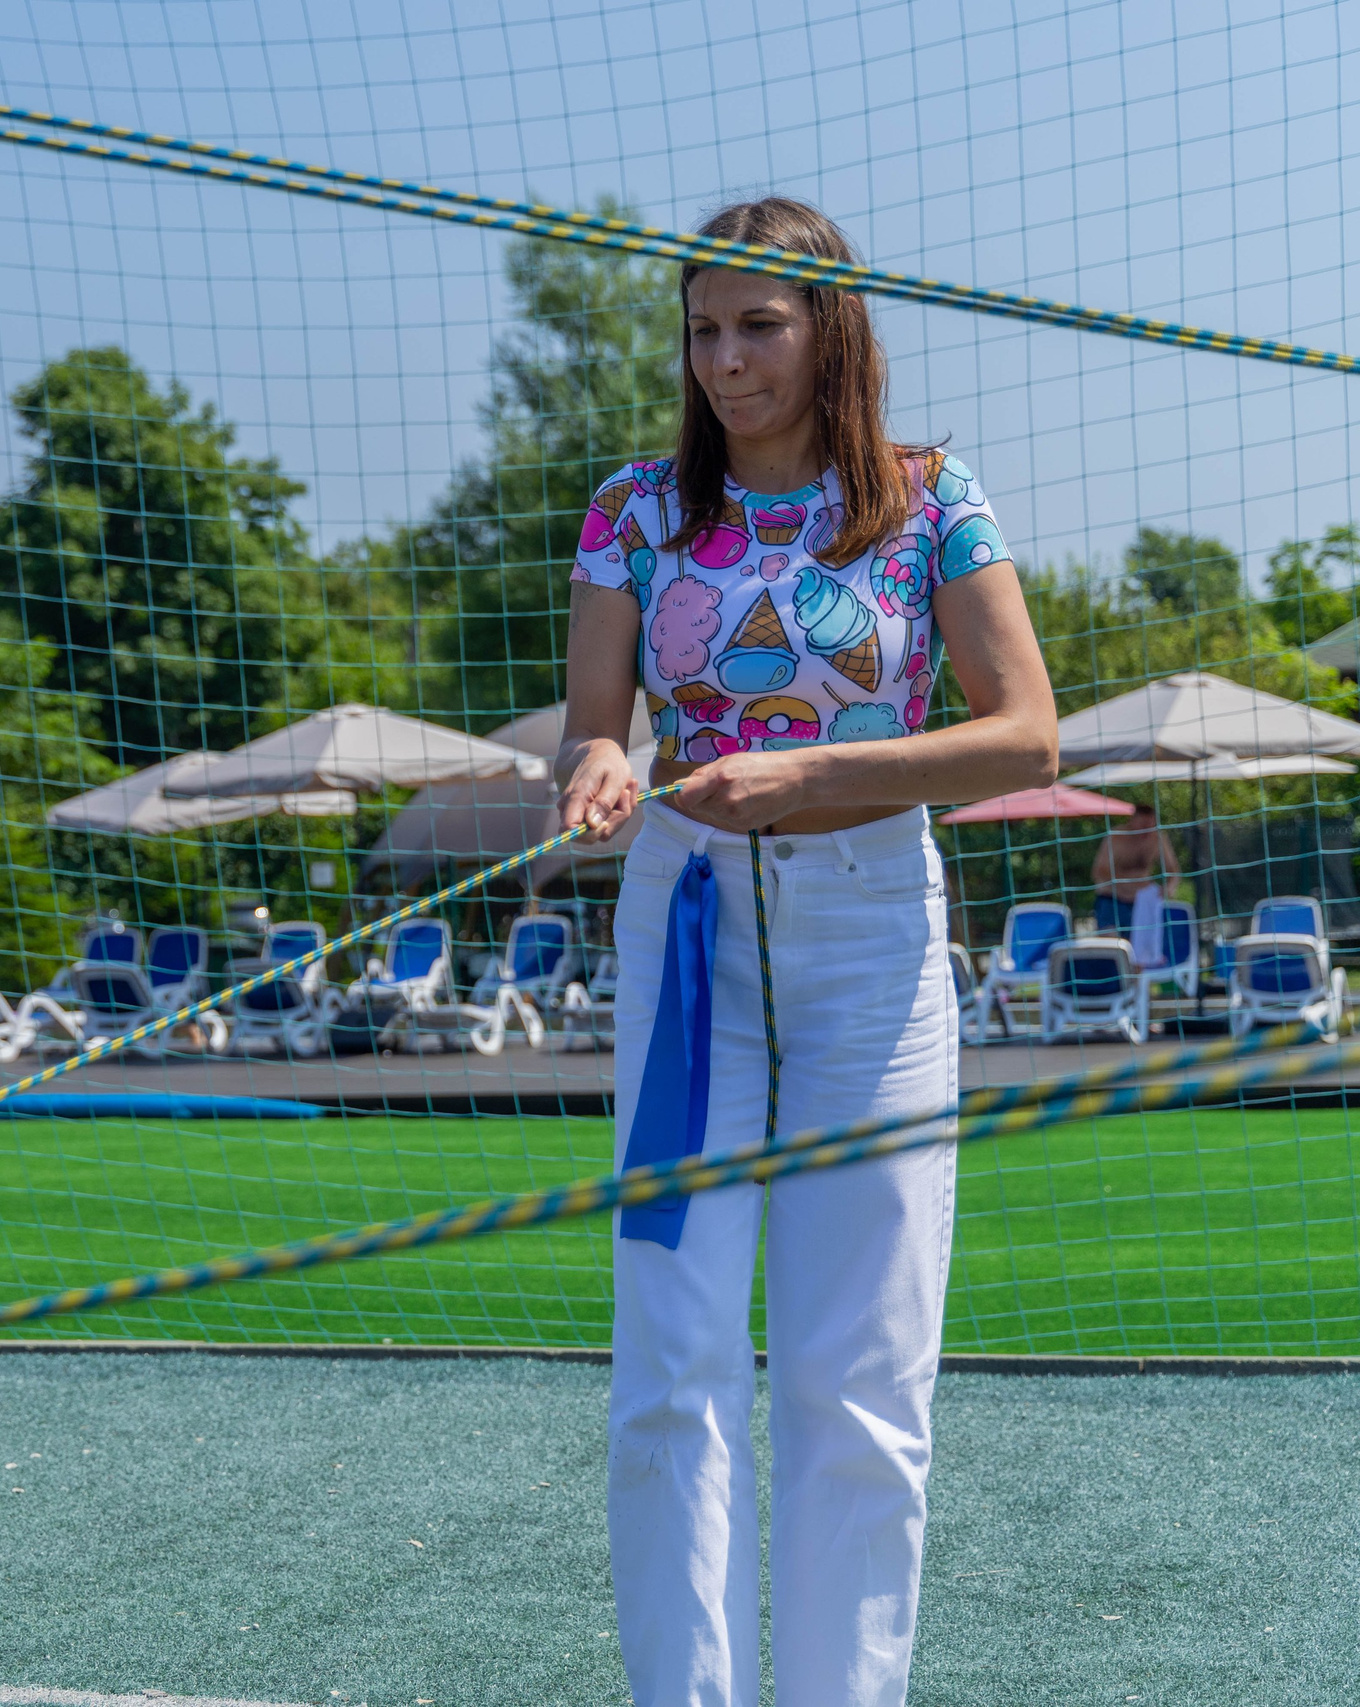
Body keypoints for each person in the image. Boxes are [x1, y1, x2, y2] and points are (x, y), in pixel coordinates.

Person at [552, 198, 1058, 1706]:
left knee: (861, 1383)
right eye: (703, 330)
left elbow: (1025, 732)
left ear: (830, 326)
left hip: (873, 940)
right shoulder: (632, 509)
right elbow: (598, 717)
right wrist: (590, 765)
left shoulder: (929, 497)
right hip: (686, 926)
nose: (725, 360)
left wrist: (811, 777)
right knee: (673, 1365)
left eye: (758, 325)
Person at [1092, 802, 1182, 931]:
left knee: (1141, 947)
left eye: (1150, 825)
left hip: (1142, 903)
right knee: (1111, 945)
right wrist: (1127, 886)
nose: (1146, 830)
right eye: (1142, 825)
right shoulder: (1116, 837)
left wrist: (1169, 887)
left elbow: (1173, 870)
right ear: (1132, 821)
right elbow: (1099, 871)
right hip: (1112, 900)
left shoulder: (1158, 838)